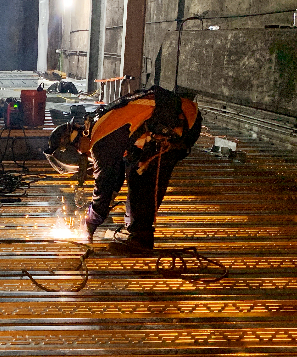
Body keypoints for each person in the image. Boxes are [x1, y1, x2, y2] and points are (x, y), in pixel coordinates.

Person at [45, 85, 202, 254]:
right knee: (134, 167)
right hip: (181, 116)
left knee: (141, 177)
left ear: (75, 151)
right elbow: (116, 175)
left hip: (181, 123)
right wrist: (100, 209)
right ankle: (137, 233)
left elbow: (105, 184)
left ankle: (140, 240)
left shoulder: (100, 142)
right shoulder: (99, 126)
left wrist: (90, 223)